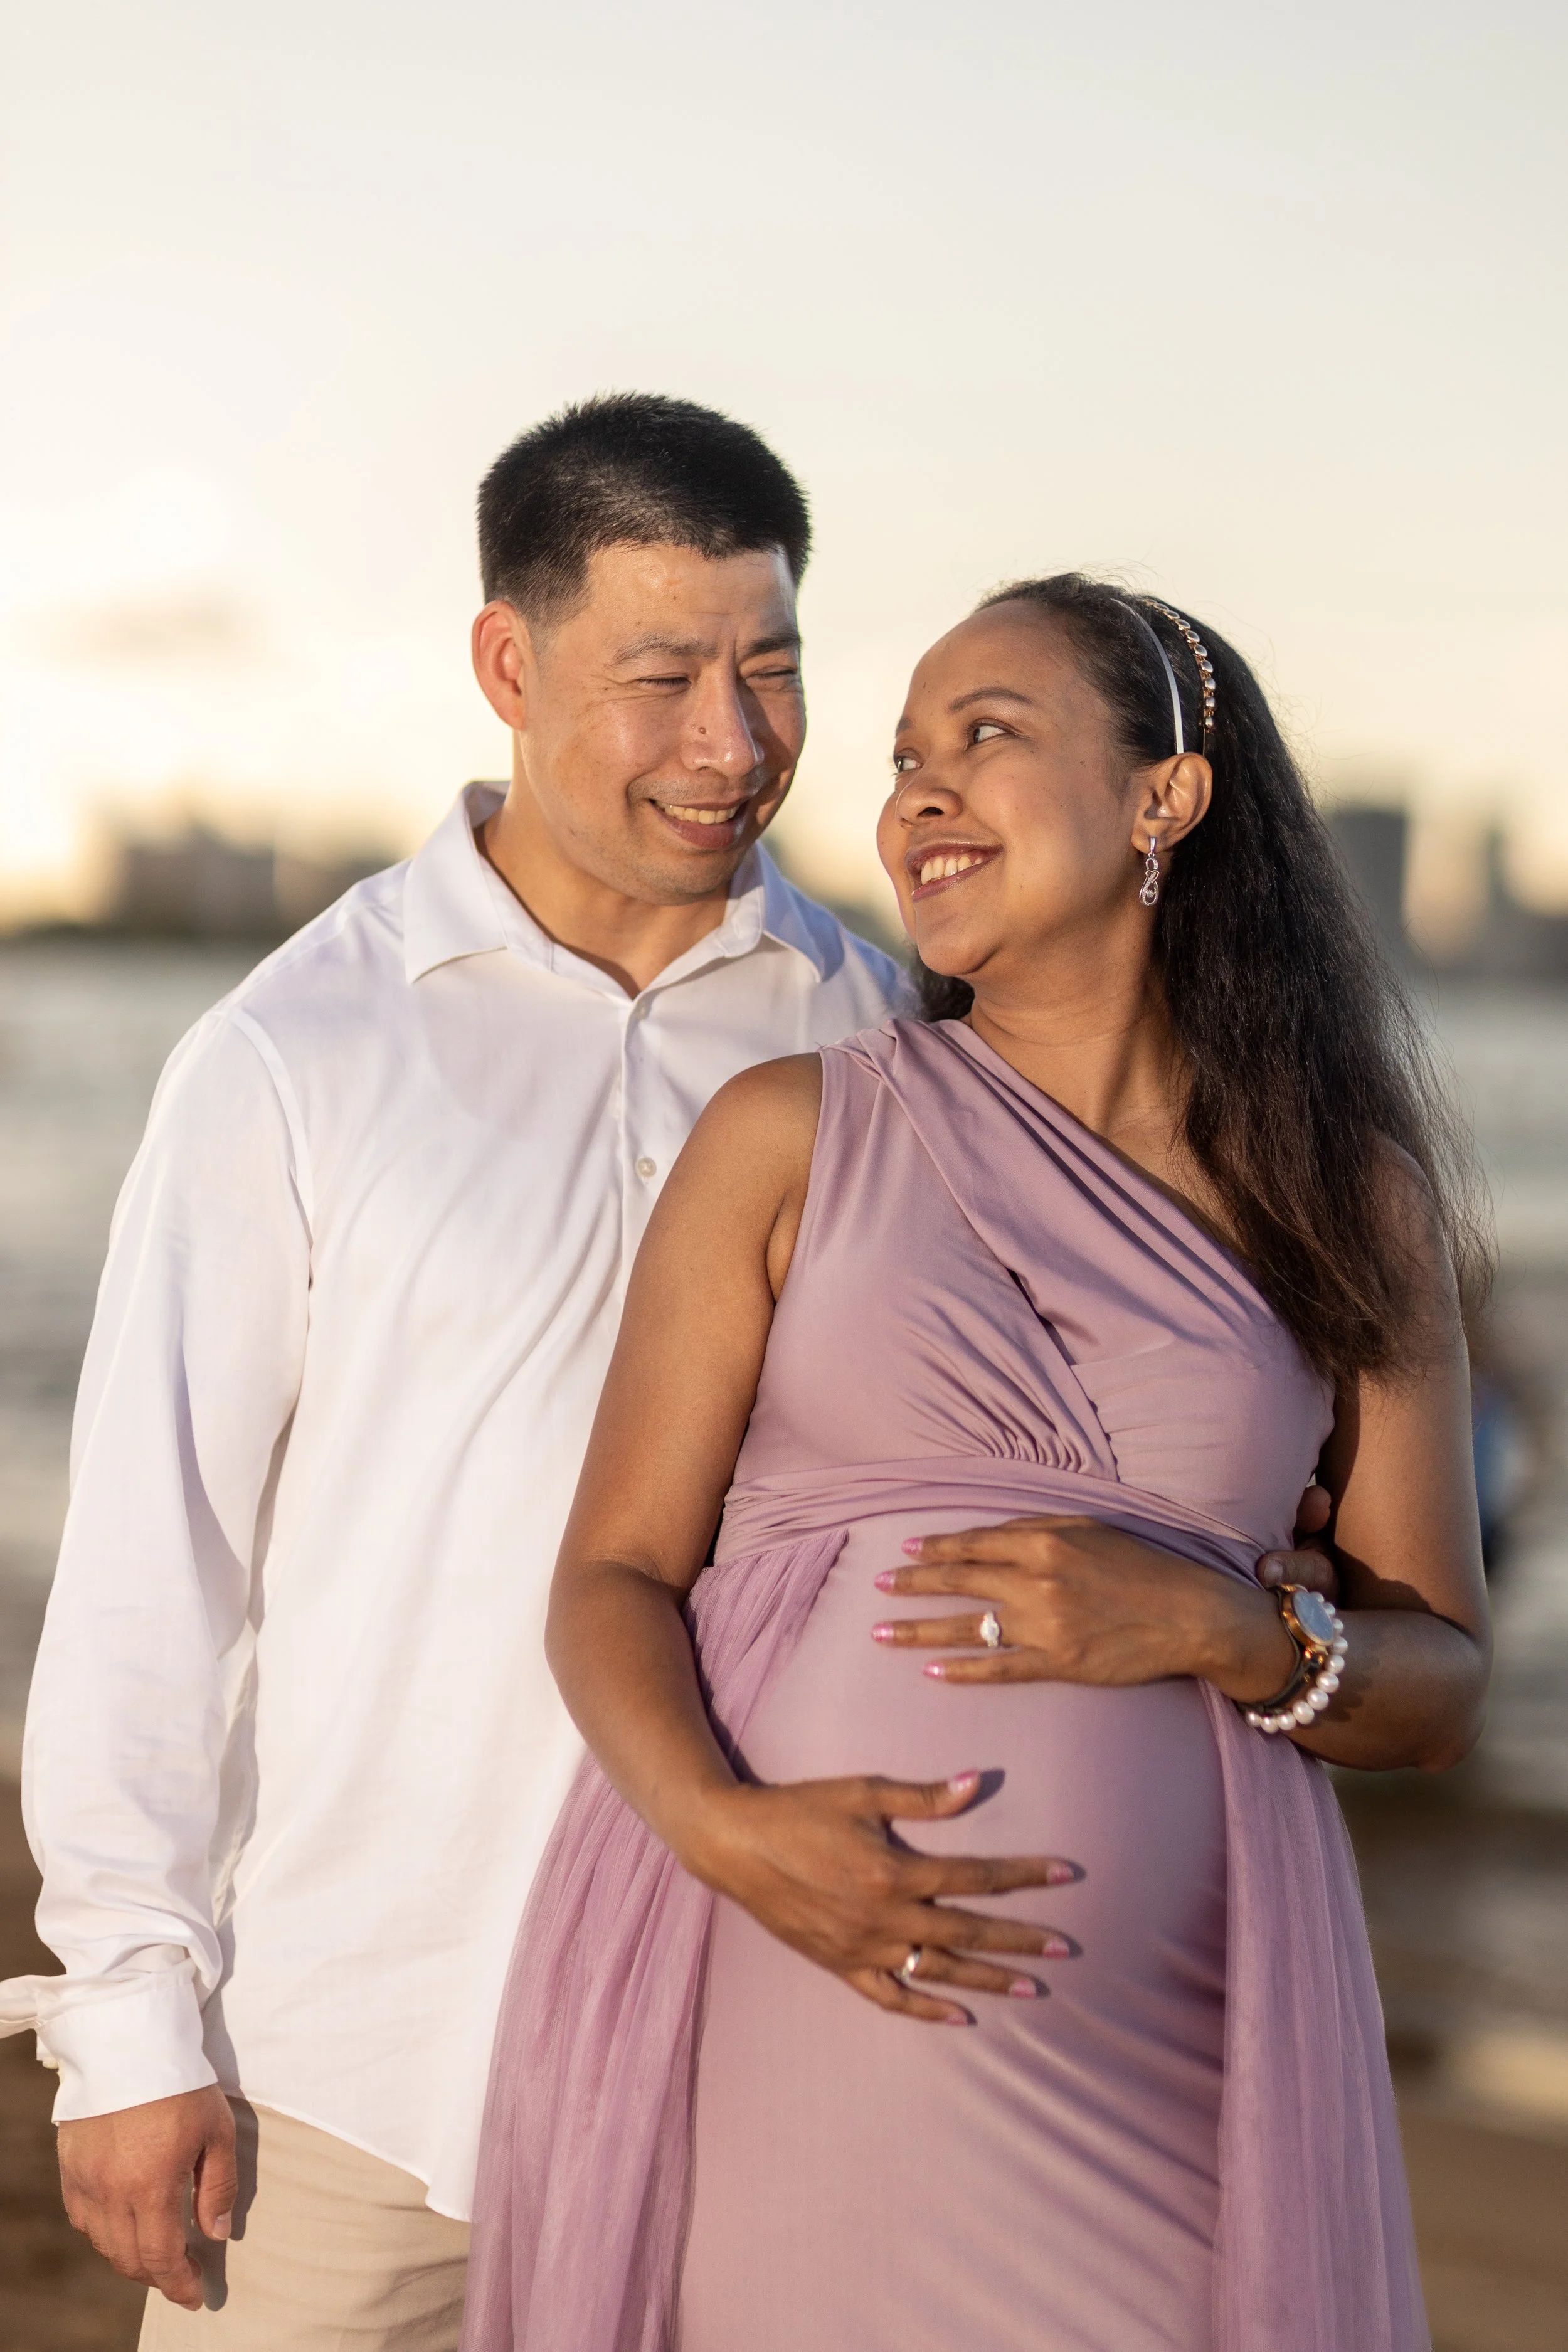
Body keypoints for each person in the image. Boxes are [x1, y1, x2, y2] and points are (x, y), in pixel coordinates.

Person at [462, 575, 1491, 2351]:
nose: (919, 794)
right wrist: (732, 1834)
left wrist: (1231, 1634)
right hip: (792, 1994)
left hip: (1170, 2068)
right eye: (904, 758)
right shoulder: (787, 1135)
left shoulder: (1346, 1197)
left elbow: (1438, 1679)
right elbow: (611, 1574)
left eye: (986, 739)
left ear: (1163, 798)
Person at [0, 395, 913, 2349]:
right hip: (354, 2070)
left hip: (741, 2040)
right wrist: (128, 2014)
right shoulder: (295, 1054)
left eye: (772, 671)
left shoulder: (871, 1026)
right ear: (508, 661)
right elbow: (161, 1557)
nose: (731, 744)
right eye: (662, 674)